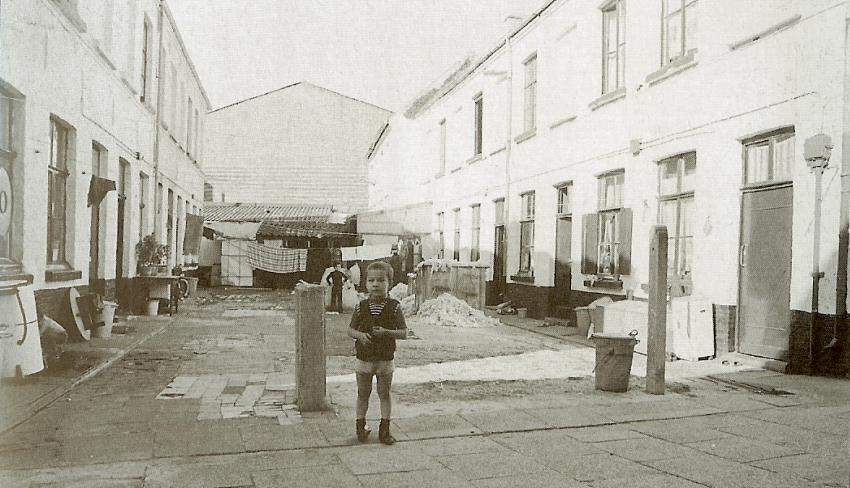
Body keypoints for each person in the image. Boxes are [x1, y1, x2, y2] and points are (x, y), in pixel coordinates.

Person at [346, 261, 407, 445]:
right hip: (364, 360)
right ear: (365, 283)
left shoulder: (394, 307)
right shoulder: (360, 306)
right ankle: (360, 428)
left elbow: (404, 332)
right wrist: (360, 335)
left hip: (384, 360)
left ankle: (384, 430)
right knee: (362, 393)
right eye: (371, 280)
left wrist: (387, 332)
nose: (375, 284)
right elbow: (350, 330)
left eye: (381, 280)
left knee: (384, 394)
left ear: (389, 282)